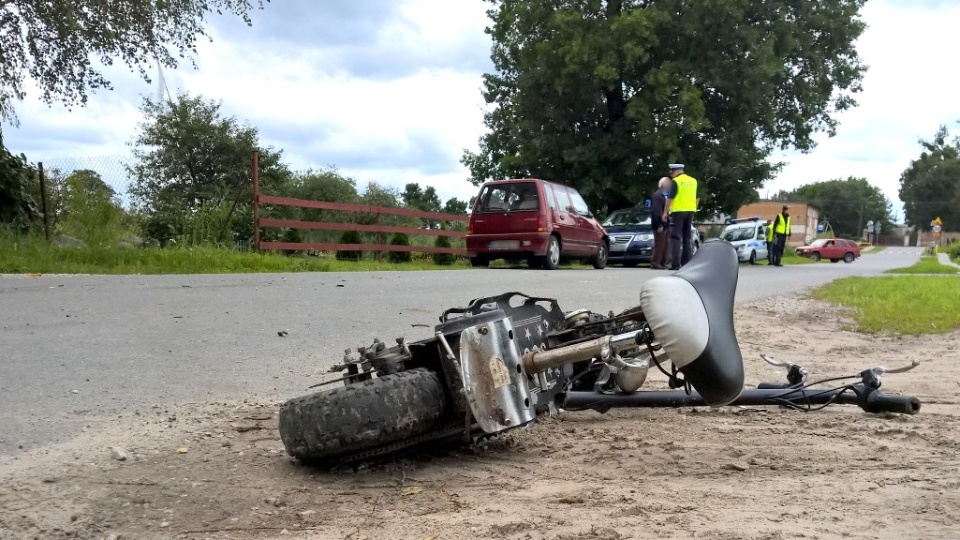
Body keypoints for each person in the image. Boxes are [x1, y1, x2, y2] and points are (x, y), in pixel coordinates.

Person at [663, 163, 697, 270]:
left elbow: (670, 198)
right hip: (690, 211)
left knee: (676, 238)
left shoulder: (676, 181)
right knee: (687, 238)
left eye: (672, 172)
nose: (671, 175)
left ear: (677, 171)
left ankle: (676, 264)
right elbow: (697, 197)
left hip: (678, 212)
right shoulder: (693, 181)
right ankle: (687, 263)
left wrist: (665, 212)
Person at [649, 177, 671, 269]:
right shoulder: (657, 195)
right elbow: (655, 211)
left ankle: (663, 262)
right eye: (668, 183)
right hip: (660, 224)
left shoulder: (667, 195)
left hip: (666, 224)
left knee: (665, 244)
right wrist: (659, 224)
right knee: (660, 244)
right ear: (663, 184)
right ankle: (655, 262)